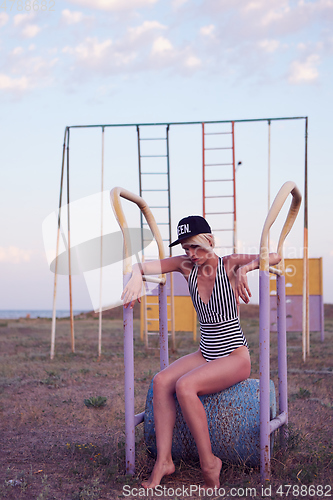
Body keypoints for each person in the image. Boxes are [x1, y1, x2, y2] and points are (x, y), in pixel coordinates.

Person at [121, 215, 281, 490]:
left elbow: (275, 256)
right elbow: (142, 264)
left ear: (209, 241)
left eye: (196, 247)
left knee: (185, 386)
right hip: (206, 352)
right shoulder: (186, 266)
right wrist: (136, 275)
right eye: (185, 248)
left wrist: (247, 268)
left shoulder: (229, 263)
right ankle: (164, 461)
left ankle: (210, 463)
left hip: (234, 356)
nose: (191, 254)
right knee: (160, 382)